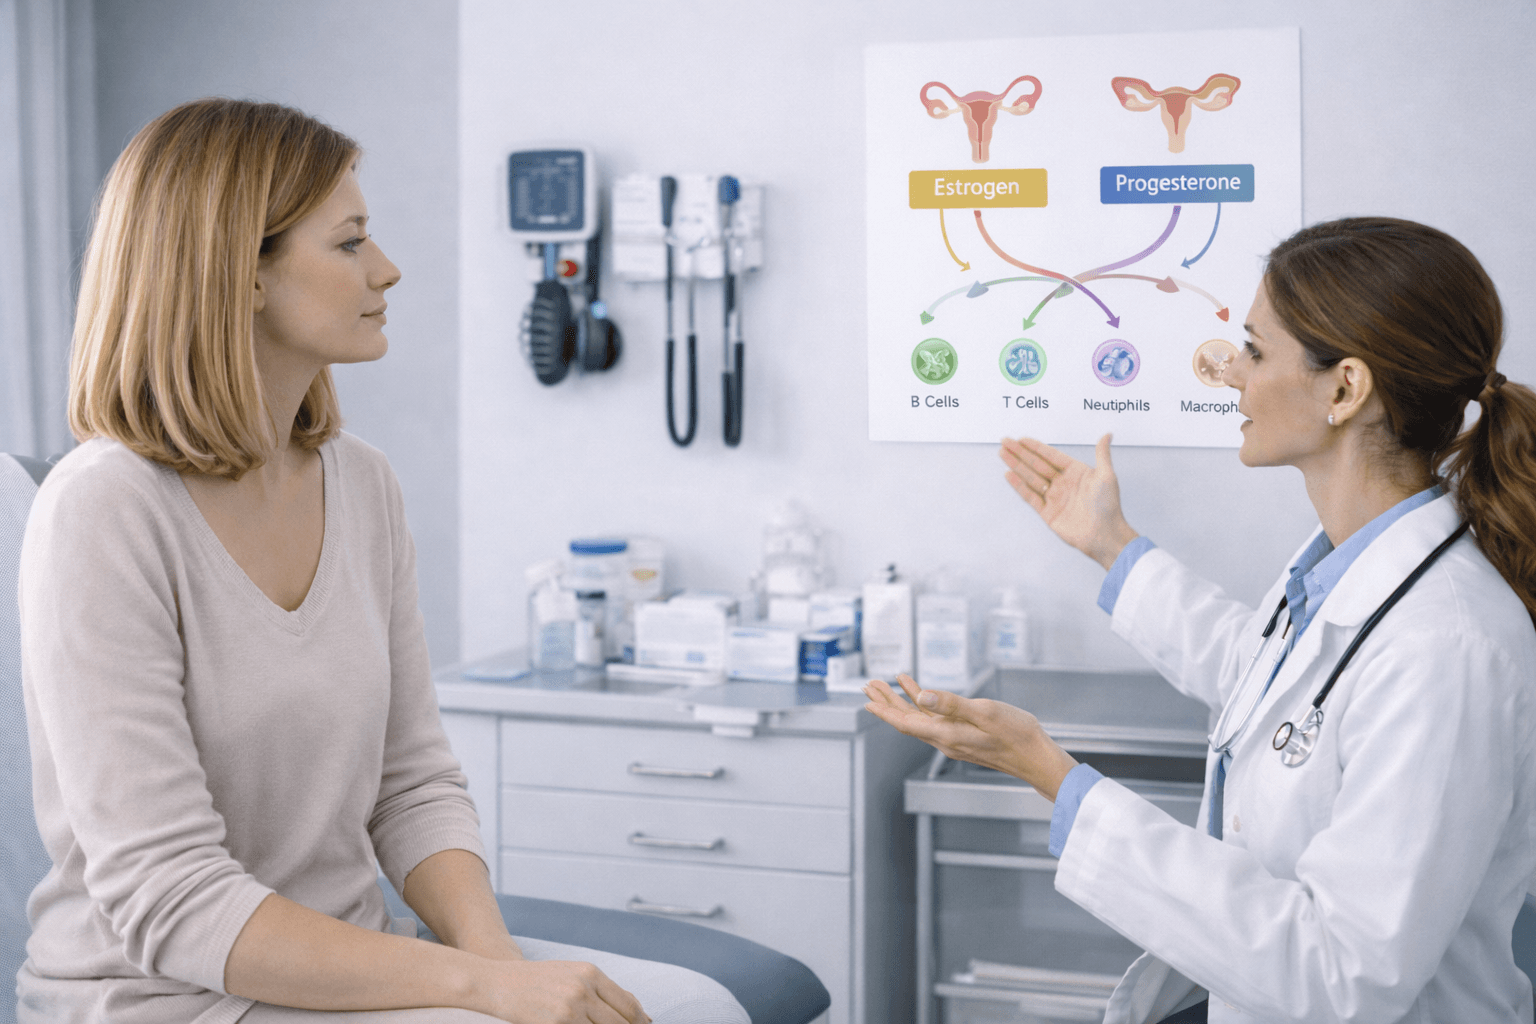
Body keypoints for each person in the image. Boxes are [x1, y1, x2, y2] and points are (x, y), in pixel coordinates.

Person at [17, 98, 748, 1024]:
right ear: (240, 274)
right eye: (351, 242)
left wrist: (497, 964)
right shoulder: (102, 510)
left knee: (690, 1011)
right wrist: (480, 987)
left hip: (352, 963)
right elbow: (170, 897)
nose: (388, 269)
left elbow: (413, 784)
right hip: (167, 995)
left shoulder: (361, 484)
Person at [866, 217, 1536, 1023]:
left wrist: (1051, 772)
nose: (1229, 376)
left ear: (1344, 389)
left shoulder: (1447, 646)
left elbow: (1343, 977)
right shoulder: (1346, 569)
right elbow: (1263, 681)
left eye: (1254, 351)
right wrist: (1110, 543)